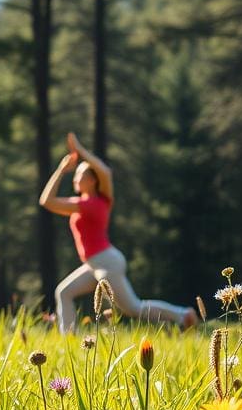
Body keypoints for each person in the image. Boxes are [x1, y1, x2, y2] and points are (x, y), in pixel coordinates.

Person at [38, 132, 197, 334]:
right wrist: (61, 169)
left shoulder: (93, 204)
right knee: (64, 292)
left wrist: (81, 152)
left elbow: (103, 172)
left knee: (133, 308)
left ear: (92, 181)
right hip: (94, 264)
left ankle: (183, 315)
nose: (75, 178)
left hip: (106, 262)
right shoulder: (84, 204)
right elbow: (46, 201)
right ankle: (69, 338)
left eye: (80, 175)